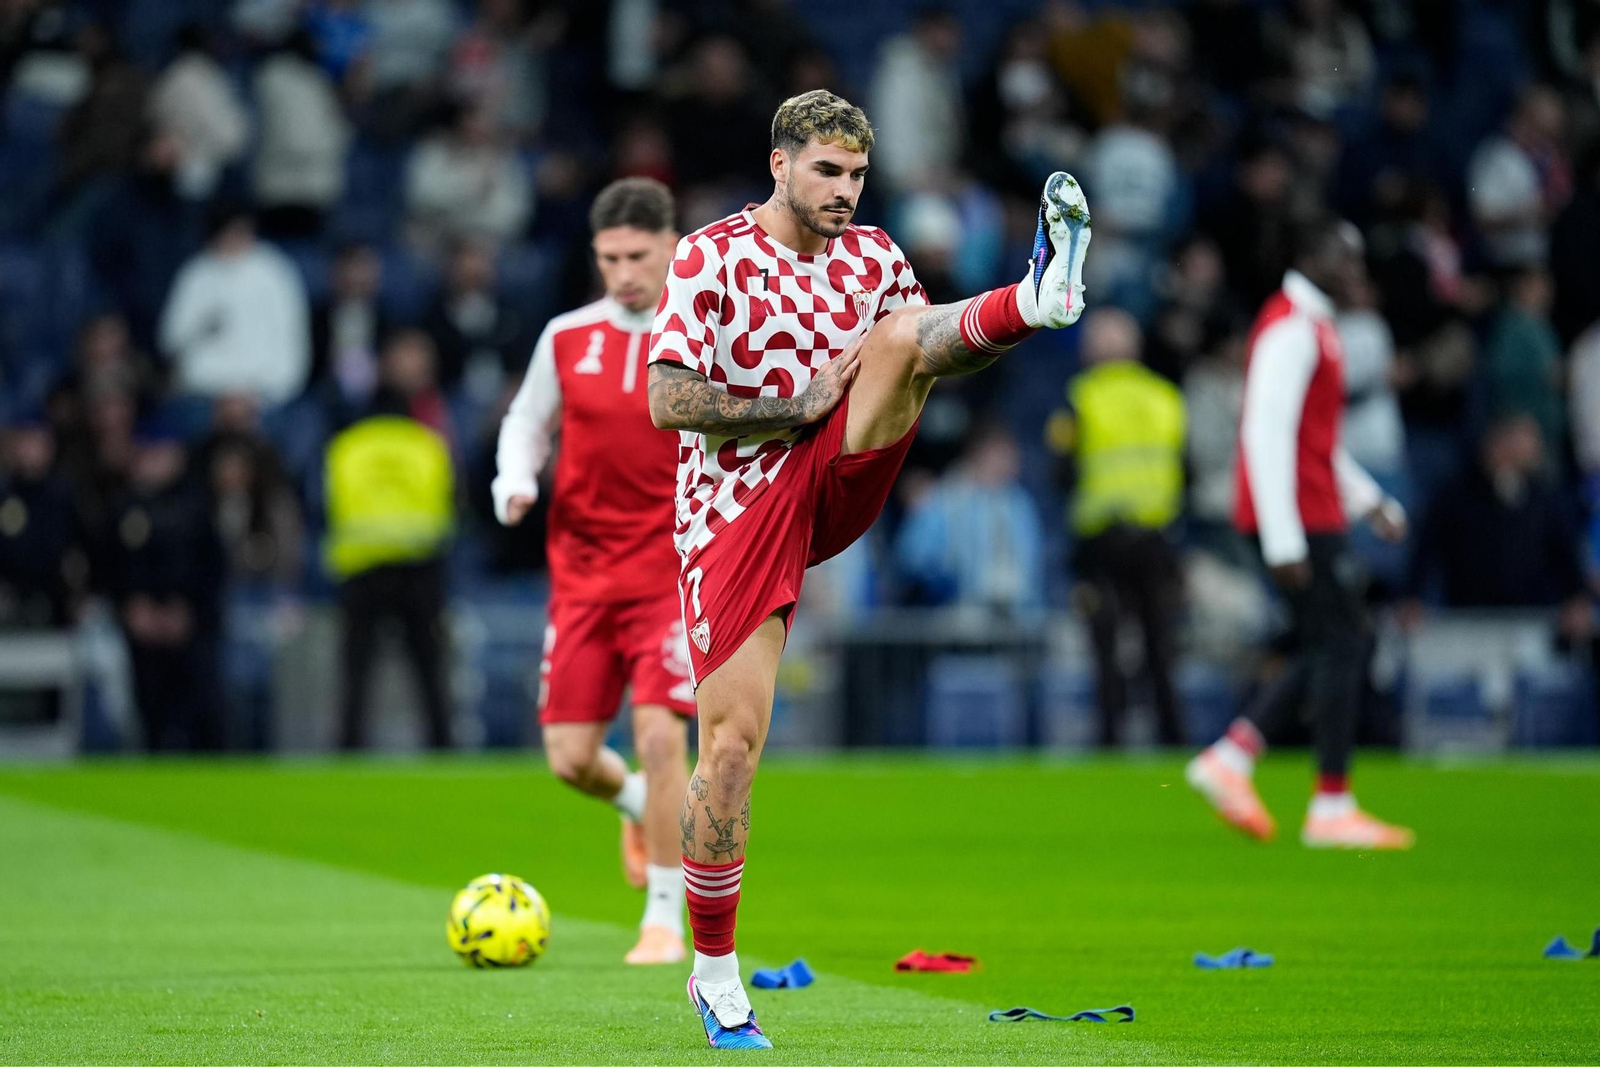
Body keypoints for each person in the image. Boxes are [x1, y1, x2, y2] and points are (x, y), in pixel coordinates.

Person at [646, 89, 1092, 1049]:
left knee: (902, 332)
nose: (846, 192)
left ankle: (1036, 297)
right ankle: (714, 973)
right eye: (827, 173)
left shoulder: (877, 256)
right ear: (780, 165)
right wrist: (793, 404)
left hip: (843, 473)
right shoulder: (711, 253)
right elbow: (666, 396)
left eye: (856, 175)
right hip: (736, 507)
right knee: (729, 751)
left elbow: (921, 356)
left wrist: (975, 341)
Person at [492, 177, 695, 966]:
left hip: (668, 574)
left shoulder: (699, 333)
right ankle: (646, 808)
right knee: (572, 759)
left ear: (672, 246)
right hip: (580, 577)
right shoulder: (568, 337)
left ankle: (665, 923)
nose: (623, 272)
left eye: (638, 255)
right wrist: (515, 478)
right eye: (609, 257)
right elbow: (525, 420)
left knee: (658, 733)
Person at [1185, 216, 1413, 850]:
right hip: (1299, 518)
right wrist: (1283, 539)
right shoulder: (1292, 328)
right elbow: (1264, 430)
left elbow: (1313, 441)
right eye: (1347, 259)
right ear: (1313, 256)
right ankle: (1327, 803)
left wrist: (1370, 501)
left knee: (1334, 642)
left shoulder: (1310, 325)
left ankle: (1234, 759)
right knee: (1345, 640)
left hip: (1312, 509)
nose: (1357, 273)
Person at [1046, 308, 1187, 747]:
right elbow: (1188, 468)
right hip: (1155, 539)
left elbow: (1060, 470)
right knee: (1160, 645)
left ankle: (1111, 738)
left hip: (1100, 543)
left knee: (1103, 647)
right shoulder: (1166, 396)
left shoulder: (1079, 396)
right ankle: (1172, 738)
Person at [323, 349, 455, 751]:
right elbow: (445, 507)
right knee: (429, 670)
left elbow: (332, 507)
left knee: (357, 671)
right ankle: (442, 747)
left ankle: (349, 747)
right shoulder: (428, 445)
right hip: (418, 567)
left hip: (362, 569)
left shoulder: (346, 447)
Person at [159, 205, 311, 407]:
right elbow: (170, 342)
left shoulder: (274, 271)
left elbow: (292, 343)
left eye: (240, 230)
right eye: (228, 232)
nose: (234, 238)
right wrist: (200, 328)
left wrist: (267, 394)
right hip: (206, 395)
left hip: (265, 398)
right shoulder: (195, 275)